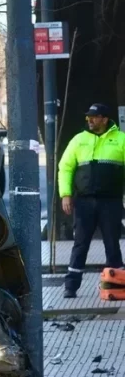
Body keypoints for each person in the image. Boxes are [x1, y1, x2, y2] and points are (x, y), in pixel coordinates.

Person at [59, 103, 125, 298]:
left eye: (94, 117)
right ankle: (71, 286)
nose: (89, 120)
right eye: (88, 117)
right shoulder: (78, 140)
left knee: (112, 244)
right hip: (84, 202)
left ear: (104, 119)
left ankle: (118, 286)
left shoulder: (120, 139)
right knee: (80, 244)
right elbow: (65, 167)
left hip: (111, 202)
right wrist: (66, 194)